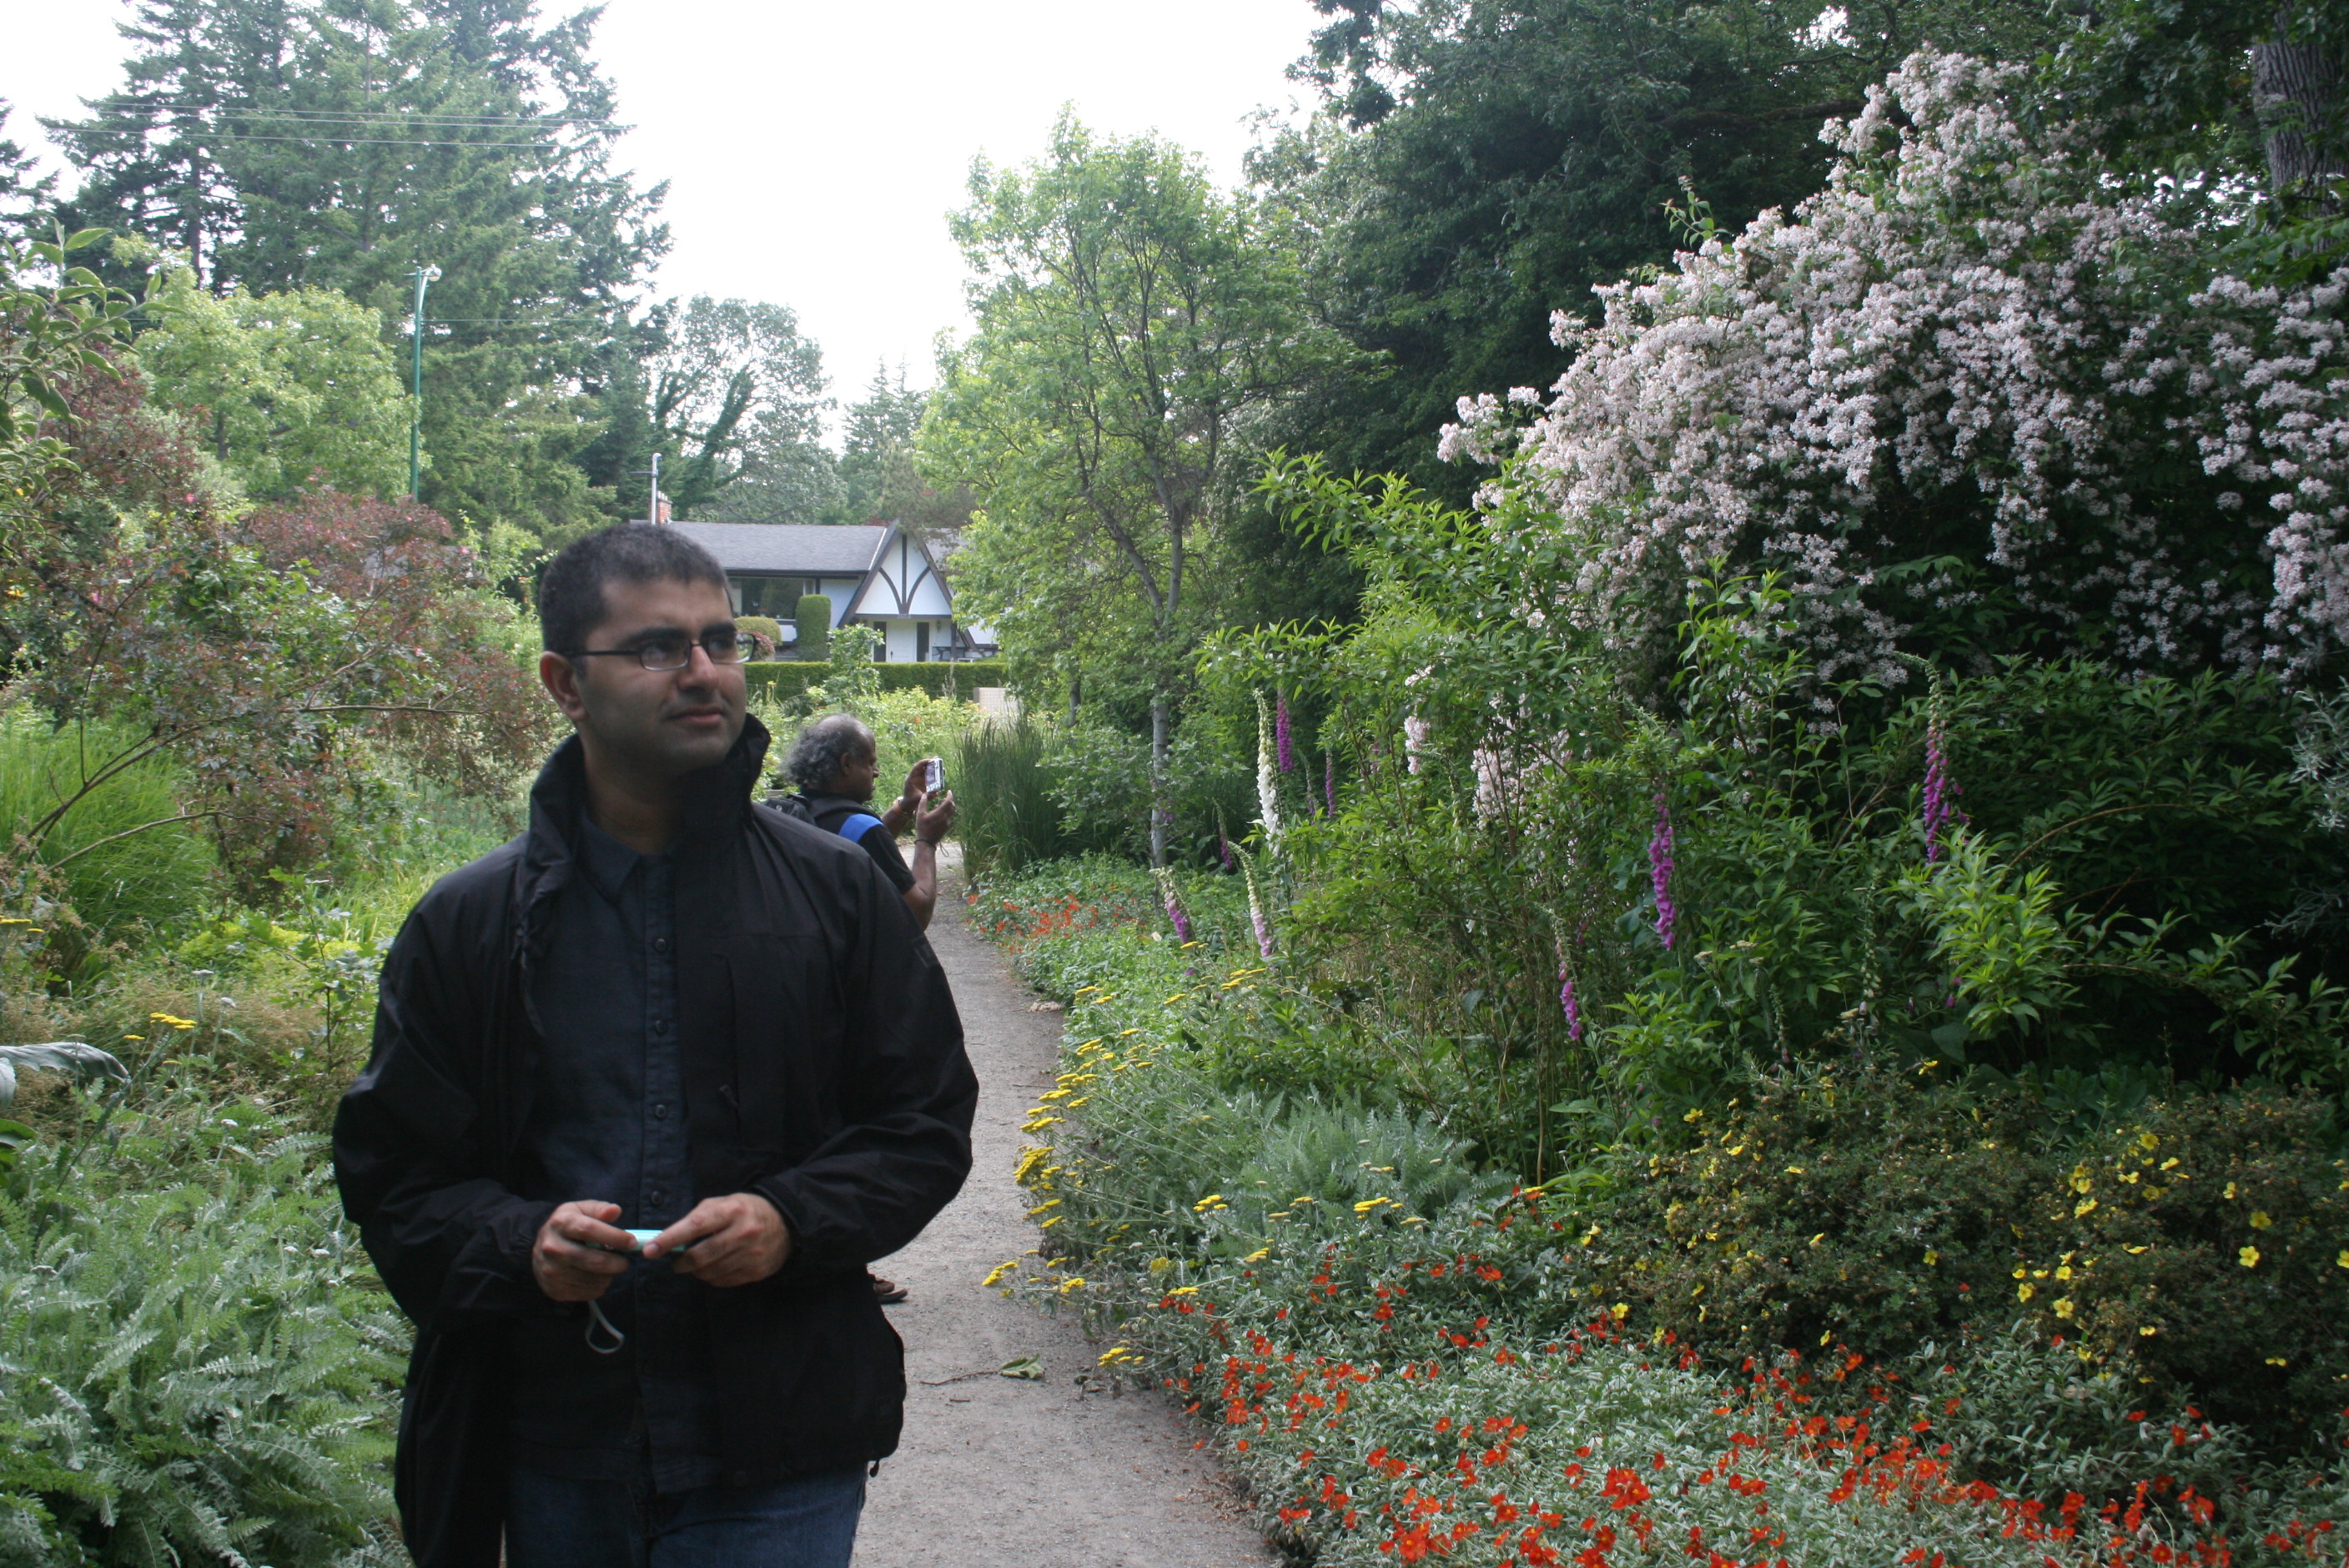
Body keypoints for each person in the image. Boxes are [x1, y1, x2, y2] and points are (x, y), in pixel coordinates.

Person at [332, 524, 977, 1568]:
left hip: (780, 1448)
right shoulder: (470, 923)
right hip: (550, 1445)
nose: (702, 671)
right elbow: (392, 1170)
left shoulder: (832, 896)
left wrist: (788, 1216)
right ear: (565, 683)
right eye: (655, 647)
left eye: (720, 641)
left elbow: (925, 1121)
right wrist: (521, 1243)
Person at [777, 714, 955, 932]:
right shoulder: (864, 830)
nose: (876, 772)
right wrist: (927, 840)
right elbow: (917, 916)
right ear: (846, 764)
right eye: (870, 763)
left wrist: (905, 806)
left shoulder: (791, 813)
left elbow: (855, 845)